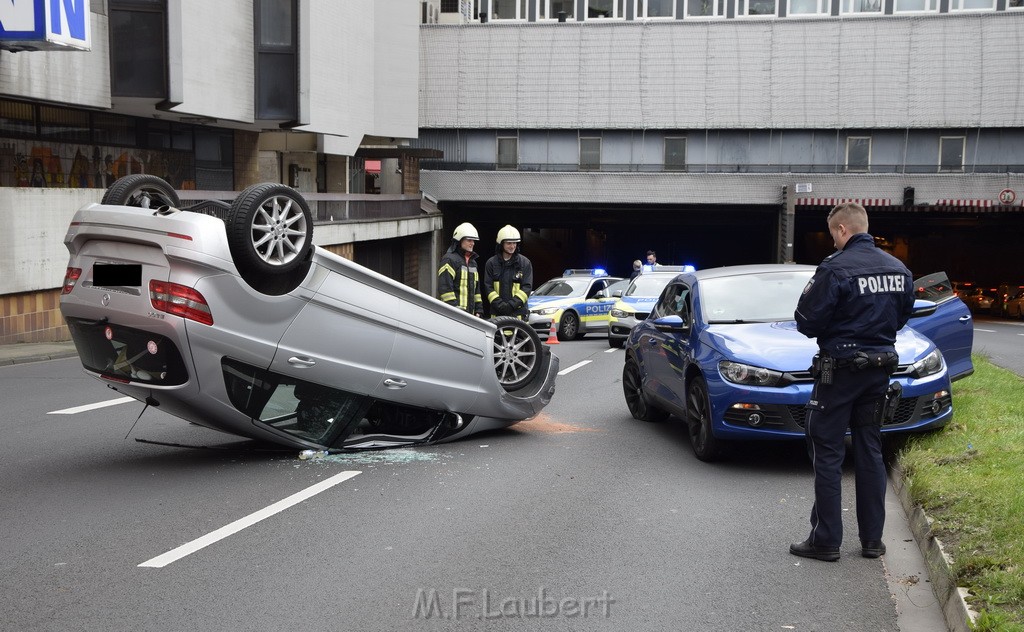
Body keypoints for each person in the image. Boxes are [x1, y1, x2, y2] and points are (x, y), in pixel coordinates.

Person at [790, 202, 914, 563]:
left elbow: (807, 321)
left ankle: (826, 540)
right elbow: (902, 315)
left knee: (827, 451)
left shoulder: (835, 267)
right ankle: (872, 541)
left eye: (833, 236)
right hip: (879, 370)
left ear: (842, 230)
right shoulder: (898, 268)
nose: (833, 242)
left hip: (839, 372)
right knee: (870, 449)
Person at [484, 225, 534, 319]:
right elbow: (488, 288)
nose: (512, 246)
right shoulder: (491, 263)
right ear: (501, 244)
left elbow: (527, 288)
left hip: (518, 315)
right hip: (497, 314)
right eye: (509, 243)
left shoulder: (525, 263)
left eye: (514, 243)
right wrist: (500, 305)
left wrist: (511, 305)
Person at [438, 222, 484, 317]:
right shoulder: (449, 260)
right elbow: (445, 289)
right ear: (459, 240)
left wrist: (479, 310)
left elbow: (477, 290)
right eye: (469, 240)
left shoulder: (473, 262)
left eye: (473, 241)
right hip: (454, 315)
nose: (472, 243)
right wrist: (454, 310)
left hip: (470, 315)